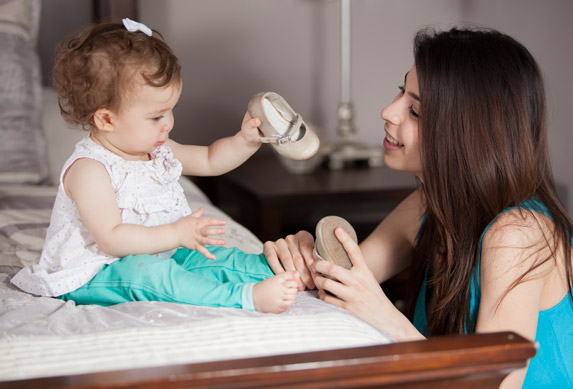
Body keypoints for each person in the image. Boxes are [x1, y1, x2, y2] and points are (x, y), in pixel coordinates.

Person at [263, 27, 573, 388]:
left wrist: (383, 315)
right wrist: (306, 258)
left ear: (467, 134)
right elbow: (343, 280)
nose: (388, 112)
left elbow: (494, 384)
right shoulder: (429, 204)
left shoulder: (517, 235)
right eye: (401, 92)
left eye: (415, 110)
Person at [11, 19, 300, 314]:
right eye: (156, 116)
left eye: (171, 110)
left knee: (214, 257)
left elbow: (210, 160)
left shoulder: (158, 150)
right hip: (99, 271)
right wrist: (176, 234)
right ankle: (244, 297)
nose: (169, 124)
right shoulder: (90, 170)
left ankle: (280, 270)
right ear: (106, 119)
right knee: (150, 274)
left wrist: (246, 140)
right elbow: (112, 239)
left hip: (163, 250)